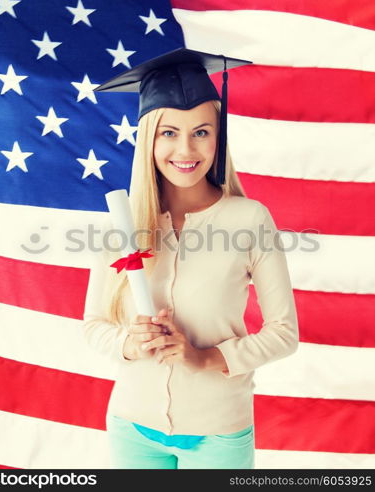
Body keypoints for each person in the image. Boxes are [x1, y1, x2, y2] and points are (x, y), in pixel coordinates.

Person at [83, 48, 299, 469]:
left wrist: (207, 358)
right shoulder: (122, 223)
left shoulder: (249, 219)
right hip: (133, 426)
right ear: (149, 138)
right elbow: (94, 327)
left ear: (218, 137)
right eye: (169, 133)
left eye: (201, 131)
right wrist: (131, 342)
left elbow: (284, 333)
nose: (186, 148)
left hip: (218, 431)